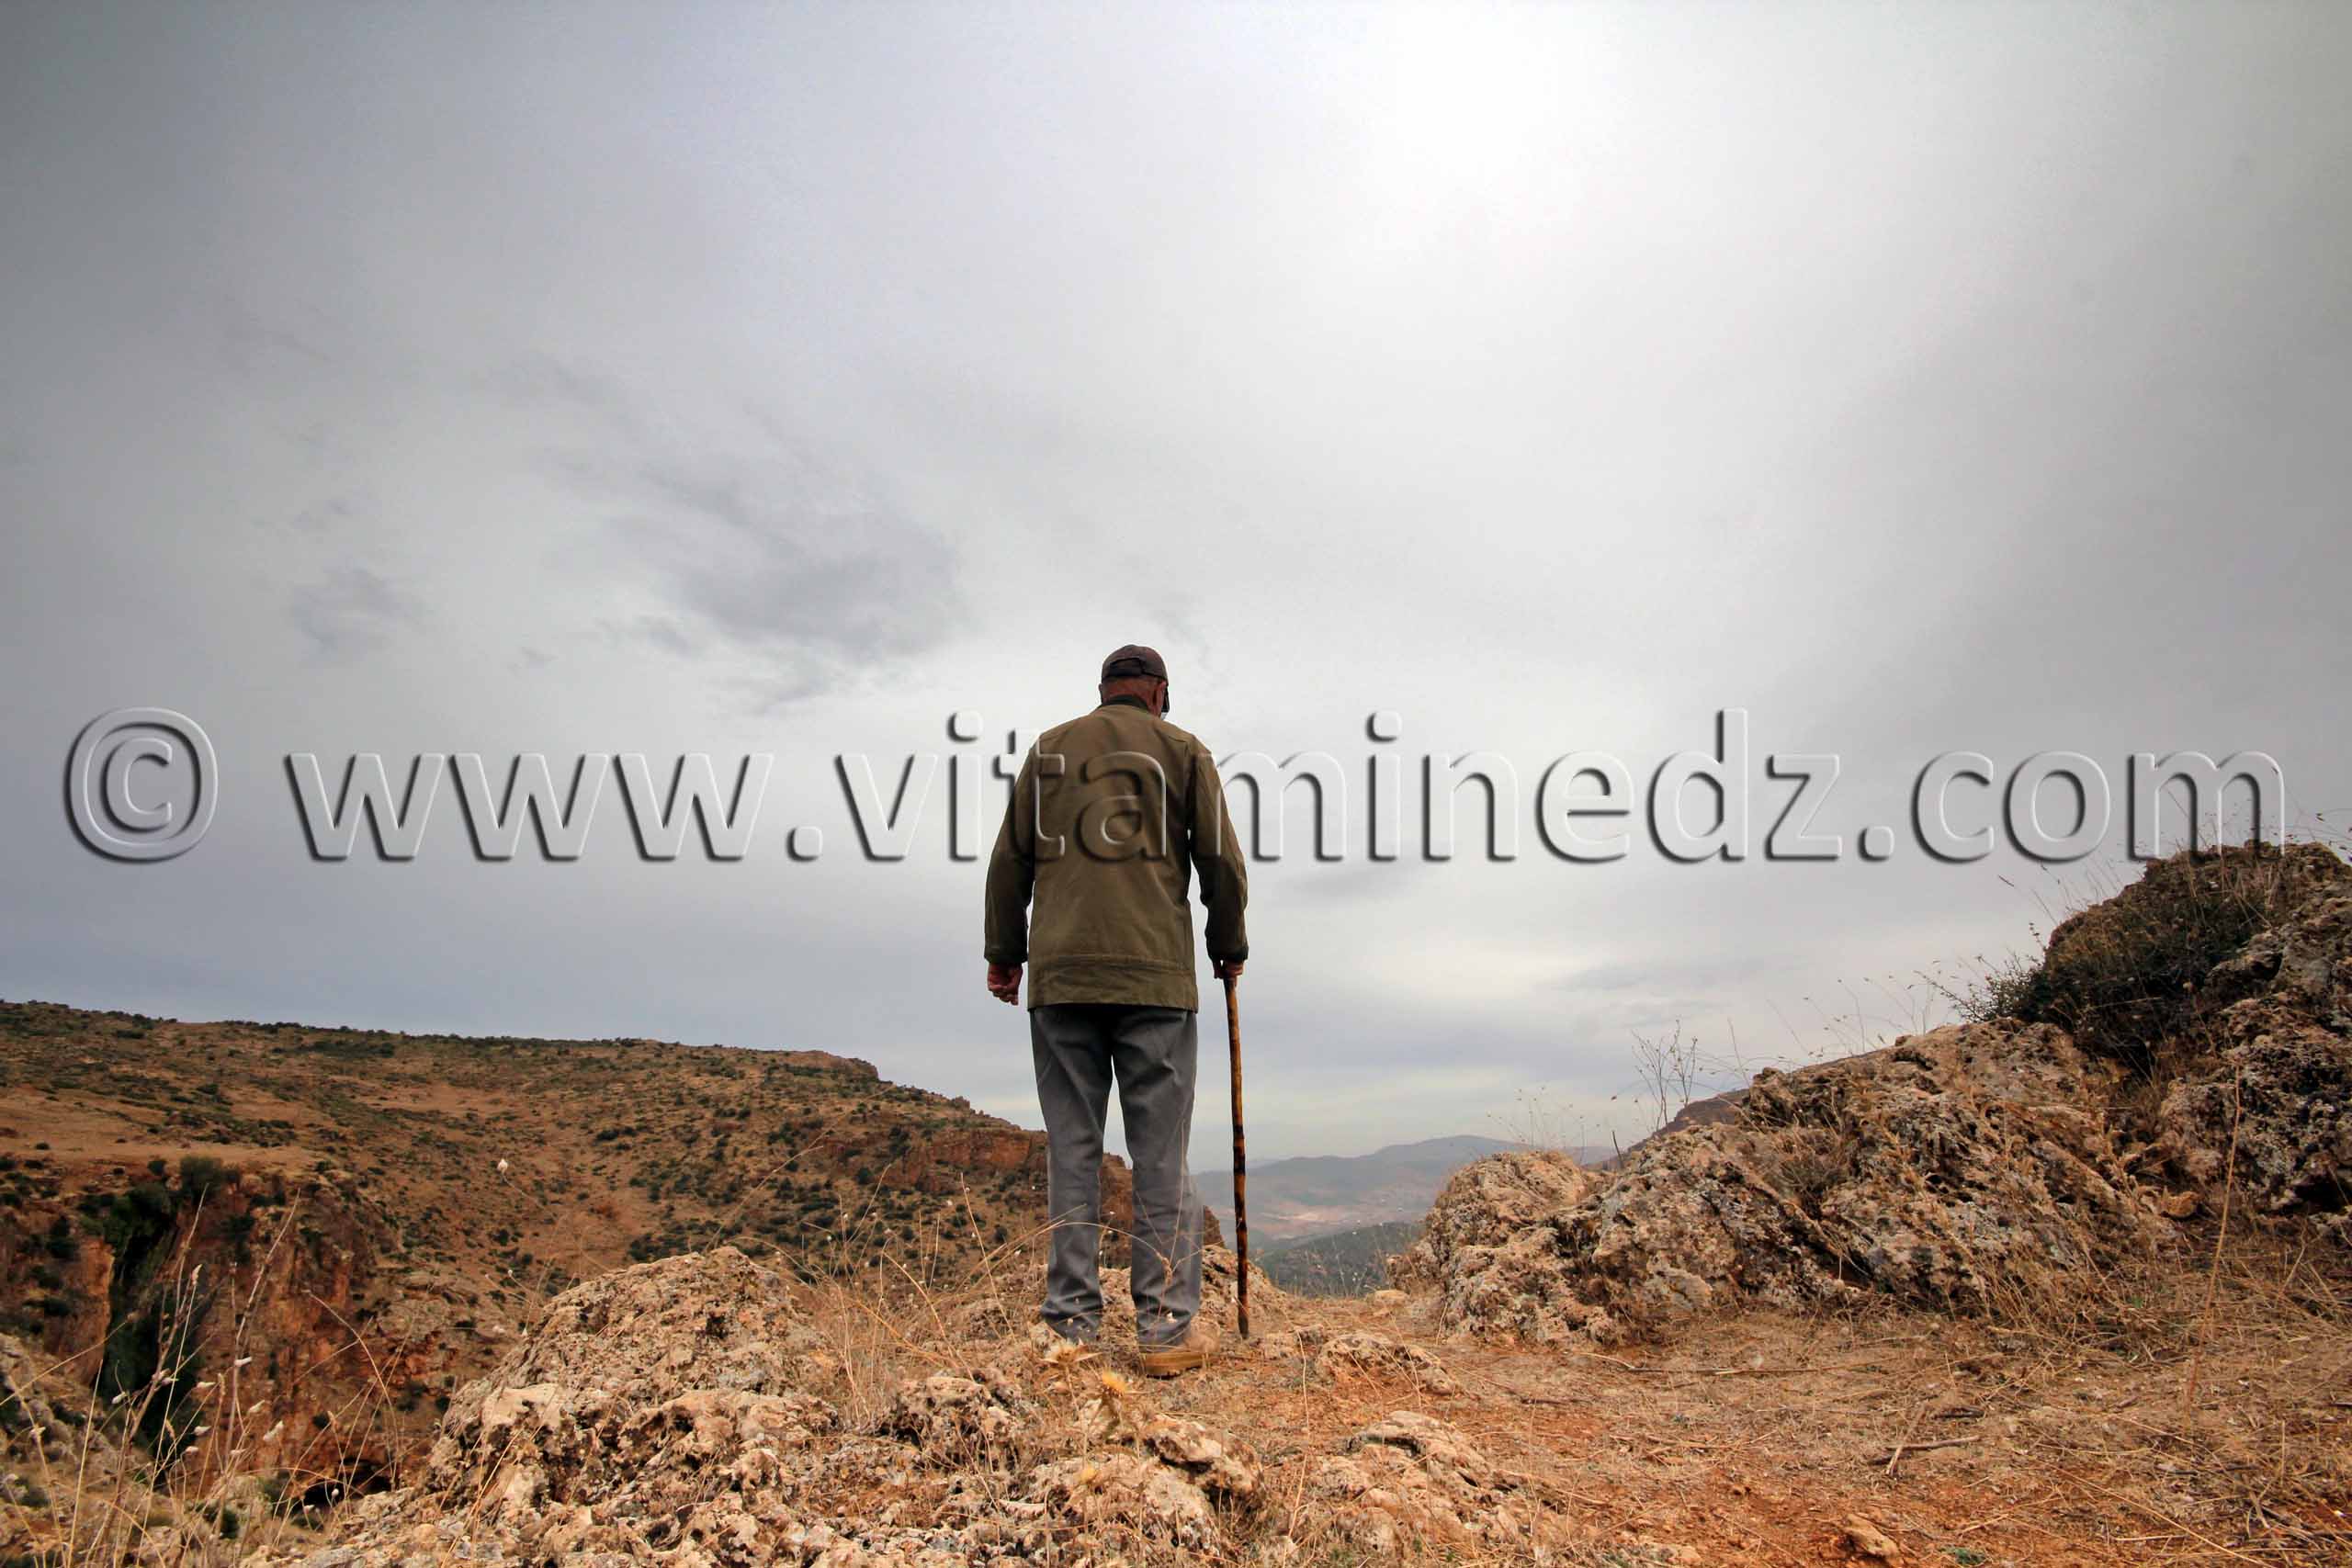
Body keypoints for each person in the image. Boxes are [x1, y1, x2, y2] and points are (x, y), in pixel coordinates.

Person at [984, 645, 1249, 1375]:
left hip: (1063, 978)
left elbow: (1011, 860)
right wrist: (1229, 946)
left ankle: (1070, 1327)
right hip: (1155, 981)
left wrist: (1005, 954)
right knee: (1160, 1155)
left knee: (1071, 1149)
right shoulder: (1183, 751)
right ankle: (1165, 1329)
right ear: (1159, 693)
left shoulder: (1049, 751)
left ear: (1101, 693)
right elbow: (1221, 863)